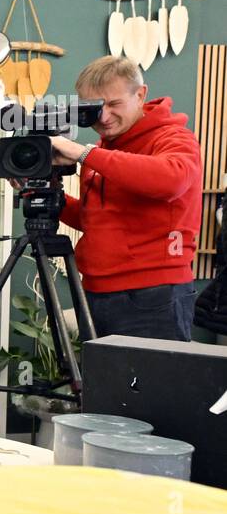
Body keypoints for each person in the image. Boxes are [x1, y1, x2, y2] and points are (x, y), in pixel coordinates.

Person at [43, 56, 203, 341]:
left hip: (153, 295)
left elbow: (171, 180)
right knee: (102, 385)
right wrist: (47, 192)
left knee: (155, 385)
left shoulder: (174, 137)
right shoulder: (103, 151)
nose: (103, 117)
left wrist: (84, 153)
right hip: (95, 292)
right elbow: (93, 219)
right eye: (93, 108)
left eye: (114, 104)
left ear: (140, 95)